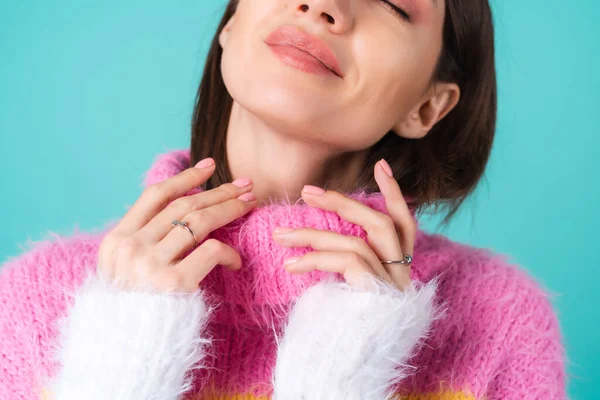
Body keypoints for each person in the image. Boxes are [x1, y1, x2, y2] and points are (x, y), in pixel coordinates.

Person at [0, 0, 567, 399]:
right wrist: (120, 366)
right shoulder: (29, 303)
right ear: (231, 22)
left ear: (427, 107)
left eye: (393, 2)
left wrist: (345, 370)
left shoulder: (496, 320)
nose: (323, 5)